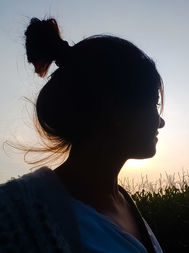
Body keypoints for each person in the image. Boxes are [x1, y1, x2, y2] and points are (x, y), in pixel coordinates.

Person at [0, 17, 165, 253]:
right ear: (117, 109)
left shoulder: (124, 203)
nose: (161, 121)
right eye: (154, 104)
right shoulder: (14, 216)